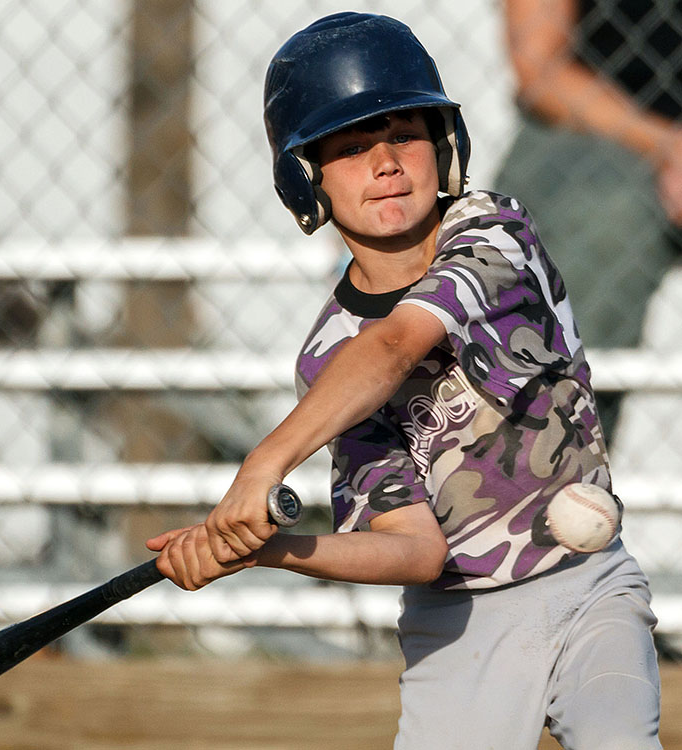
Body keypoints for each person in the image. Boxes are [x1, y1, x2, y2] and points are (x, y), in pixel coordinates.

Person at [146, 13, 662, 749]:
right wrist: (263, 549)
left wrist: (264, 464)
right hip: (458, 626)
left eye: (404, 135)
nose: (385, 162)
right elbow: (414, 549)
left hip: (589, 588)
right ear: (306, 177)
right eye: (352, 147)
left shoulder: (494, 233)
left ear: (444, 145)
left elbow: (395, 344)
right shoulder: (326, 359)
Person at [494, 0, 682, 439]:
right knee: (606, 217)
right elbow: (539, 69)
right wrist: (668, 146)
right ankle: (559, 465)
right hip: (596, 130)